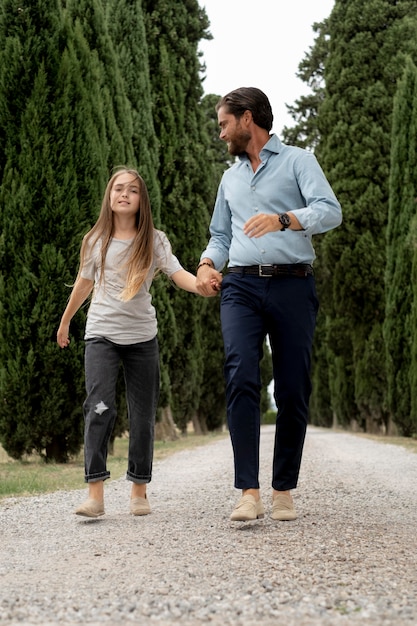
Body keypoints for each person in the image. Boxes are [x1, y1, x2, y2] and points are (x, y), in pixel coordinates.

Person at [196, 87, 342, 522]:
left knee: (293, 386)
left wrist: (284, 219)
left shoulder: (299, 161)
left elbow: (330, 211)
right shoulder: (230, 178)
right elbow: (221, 235)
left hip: (292, 284)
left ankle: (283, 490)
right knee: (241, 374)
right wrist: (206, 264)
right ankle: (248, 492)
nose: (221, 134)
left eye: (224, 124)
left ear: (246, 119)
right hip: (239, 286)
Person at [57, 167, 198, 518]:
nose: (124, 194)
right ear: (109, 196)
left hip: (142, 339)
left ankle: (139, 491)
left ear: (141, 200)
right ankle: (95, 494)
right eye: (118, 188)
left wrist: (202, 285)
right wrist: (65, 321)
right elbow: (83, 284)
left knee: (142, 416)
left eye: (132, 190)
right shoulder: (95, 241)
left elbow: (178, 273)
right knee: (99, 408)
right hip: (101, 334)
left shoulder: (154, 240)